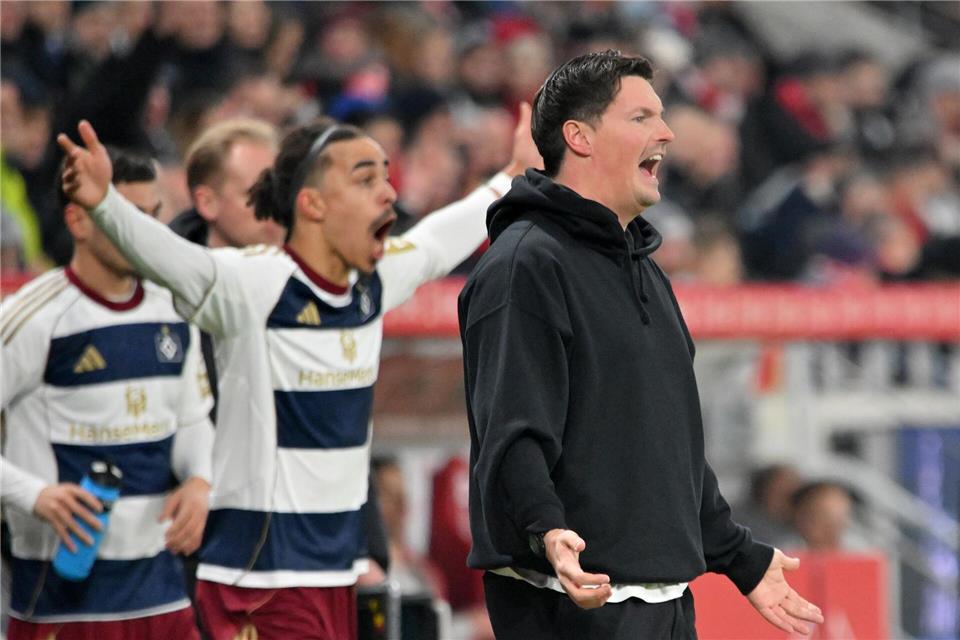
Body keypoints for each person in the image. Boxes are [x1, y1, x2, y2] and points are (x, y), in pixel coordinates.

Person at [57, 107, 539, 638]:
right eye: (365, 179)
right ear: (312, 204)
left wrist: (509, 174)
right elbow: (172, 259)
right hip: (261, 583)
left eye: (385, 177)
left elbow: (434, 243)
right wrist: (104, 203)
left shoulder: (370, 285)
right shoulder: (253, 287)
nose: (387, 194)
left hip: (333, 579)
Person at [458, 50, 824, 639]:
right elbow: (512, 431)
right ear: (579, 137)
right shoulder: (525, 265)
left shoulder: (643, 266)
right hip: (574, 605)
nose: (667, 132)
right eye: (641, 118)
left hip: (667, 606)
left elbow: (669, 441)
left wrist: (738, 555)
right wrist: (546, 529)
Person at [1, 147, 214, 638]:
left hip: (162, 594)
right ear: (79, 220)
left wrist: (202, 480)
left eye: (153, 217)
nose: (147, 234)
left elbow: (192, 422)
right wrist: (36, 496)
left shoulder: (173, 309)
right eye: (128, 217)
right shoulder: (32, 319)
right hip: (62, 601)